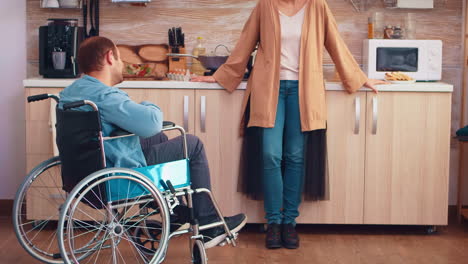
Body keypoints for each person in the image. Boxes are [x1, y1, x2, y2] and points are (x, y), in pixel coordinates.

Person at [191, 0, 388, 249]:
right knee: (270, 155)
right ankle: (273, 222)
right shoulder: (265, 6)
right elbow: (244, 44)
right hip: (268, 89)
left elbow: (336, 44)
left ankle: (288, 223)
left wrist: (360, 78)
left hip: (304, 90)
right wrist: (219, 75)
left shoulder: (318, 7)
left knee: (295, 156)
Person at [59, 36, 247, 249]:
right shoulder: (105, 96)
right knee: (191, 144)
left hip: (84, 175)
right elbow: (152, 123)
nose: (122, 65)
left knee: (156, 139)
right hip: (115, 176)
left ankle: (173, 211)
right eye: (120, 59)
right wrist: (150, 106)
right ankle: (207, 223)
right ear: (110, 57)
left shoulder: (71, 92)